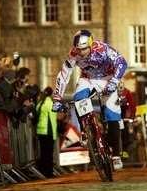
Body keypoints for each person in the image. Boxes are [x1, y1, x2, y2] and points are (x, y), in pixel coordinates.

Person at [52, 29, 127, 172]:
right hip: (87, 78)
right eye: (78, 49)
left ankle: (116, 155)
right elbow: (63, 75)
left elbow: (122, 62)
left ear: (91, 45)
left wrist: (114, 81)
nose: (81, 53)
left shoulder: (103, 49)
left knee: (112, 116)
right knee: (79, 99)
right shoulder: (73, 54)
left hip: (107, 78)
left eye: (84, 49)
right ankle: (85, 130)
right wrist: (57, 98)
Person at [36, 86, 58, 178]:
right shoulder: (50, 104)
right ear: (51, 94)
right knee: (49, 153)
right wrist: (54, 135)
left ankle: (43, 171)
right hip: (48, 132)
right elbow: (52, 121)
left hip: (40, 131)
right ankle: (48, 172)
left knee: (43, 153)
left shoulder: (40, 103)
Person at [116, 80, 137, 160]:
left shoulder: (127, 93)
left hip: (123, 113)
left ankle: (125, 150)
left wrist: (132, 115)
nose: (120, 92)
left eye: (121, 90)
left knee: (125, 132)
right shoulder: (112, 92)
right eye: (118, 91)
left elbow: (132, 105)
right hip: (115, 111)